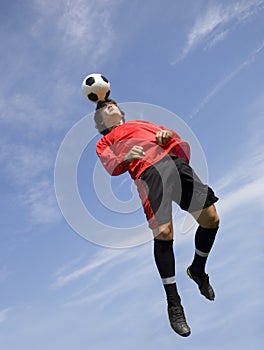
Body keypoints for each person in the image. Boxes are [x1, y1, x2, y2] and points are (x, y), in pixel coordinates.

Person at [94, 99, 220, 337]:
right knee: (163, 232)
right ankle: (174, 303)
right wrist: (127, 156)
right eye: (102, 108)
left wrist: (165, 135)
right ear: (101, 121)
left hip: (174, 164)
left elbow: (173, 137)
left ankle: (198, 270)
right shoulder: (104, 142)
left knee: (211, 219)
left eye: (111, 104)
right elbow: (111, 165)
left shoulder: (143, 123)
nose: (107, 106)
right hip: (147, 175)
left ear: (120, 111)